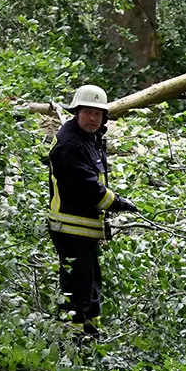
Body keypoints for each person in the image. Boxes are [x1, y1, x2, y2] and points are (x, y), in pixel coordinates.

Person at [47, 84, 137, 339]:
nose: (92, 118)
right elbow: (87, 188)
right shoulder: (69, 144)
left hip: (85, 228)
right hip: (71, 229)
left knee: (91, 285)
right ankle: (72, 342)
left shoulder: (91, 139)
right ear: (76, 112)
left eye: (97, 113)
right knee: (77, 290)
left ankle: (91, 335)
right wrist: (118, 203)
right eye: (87, 112)